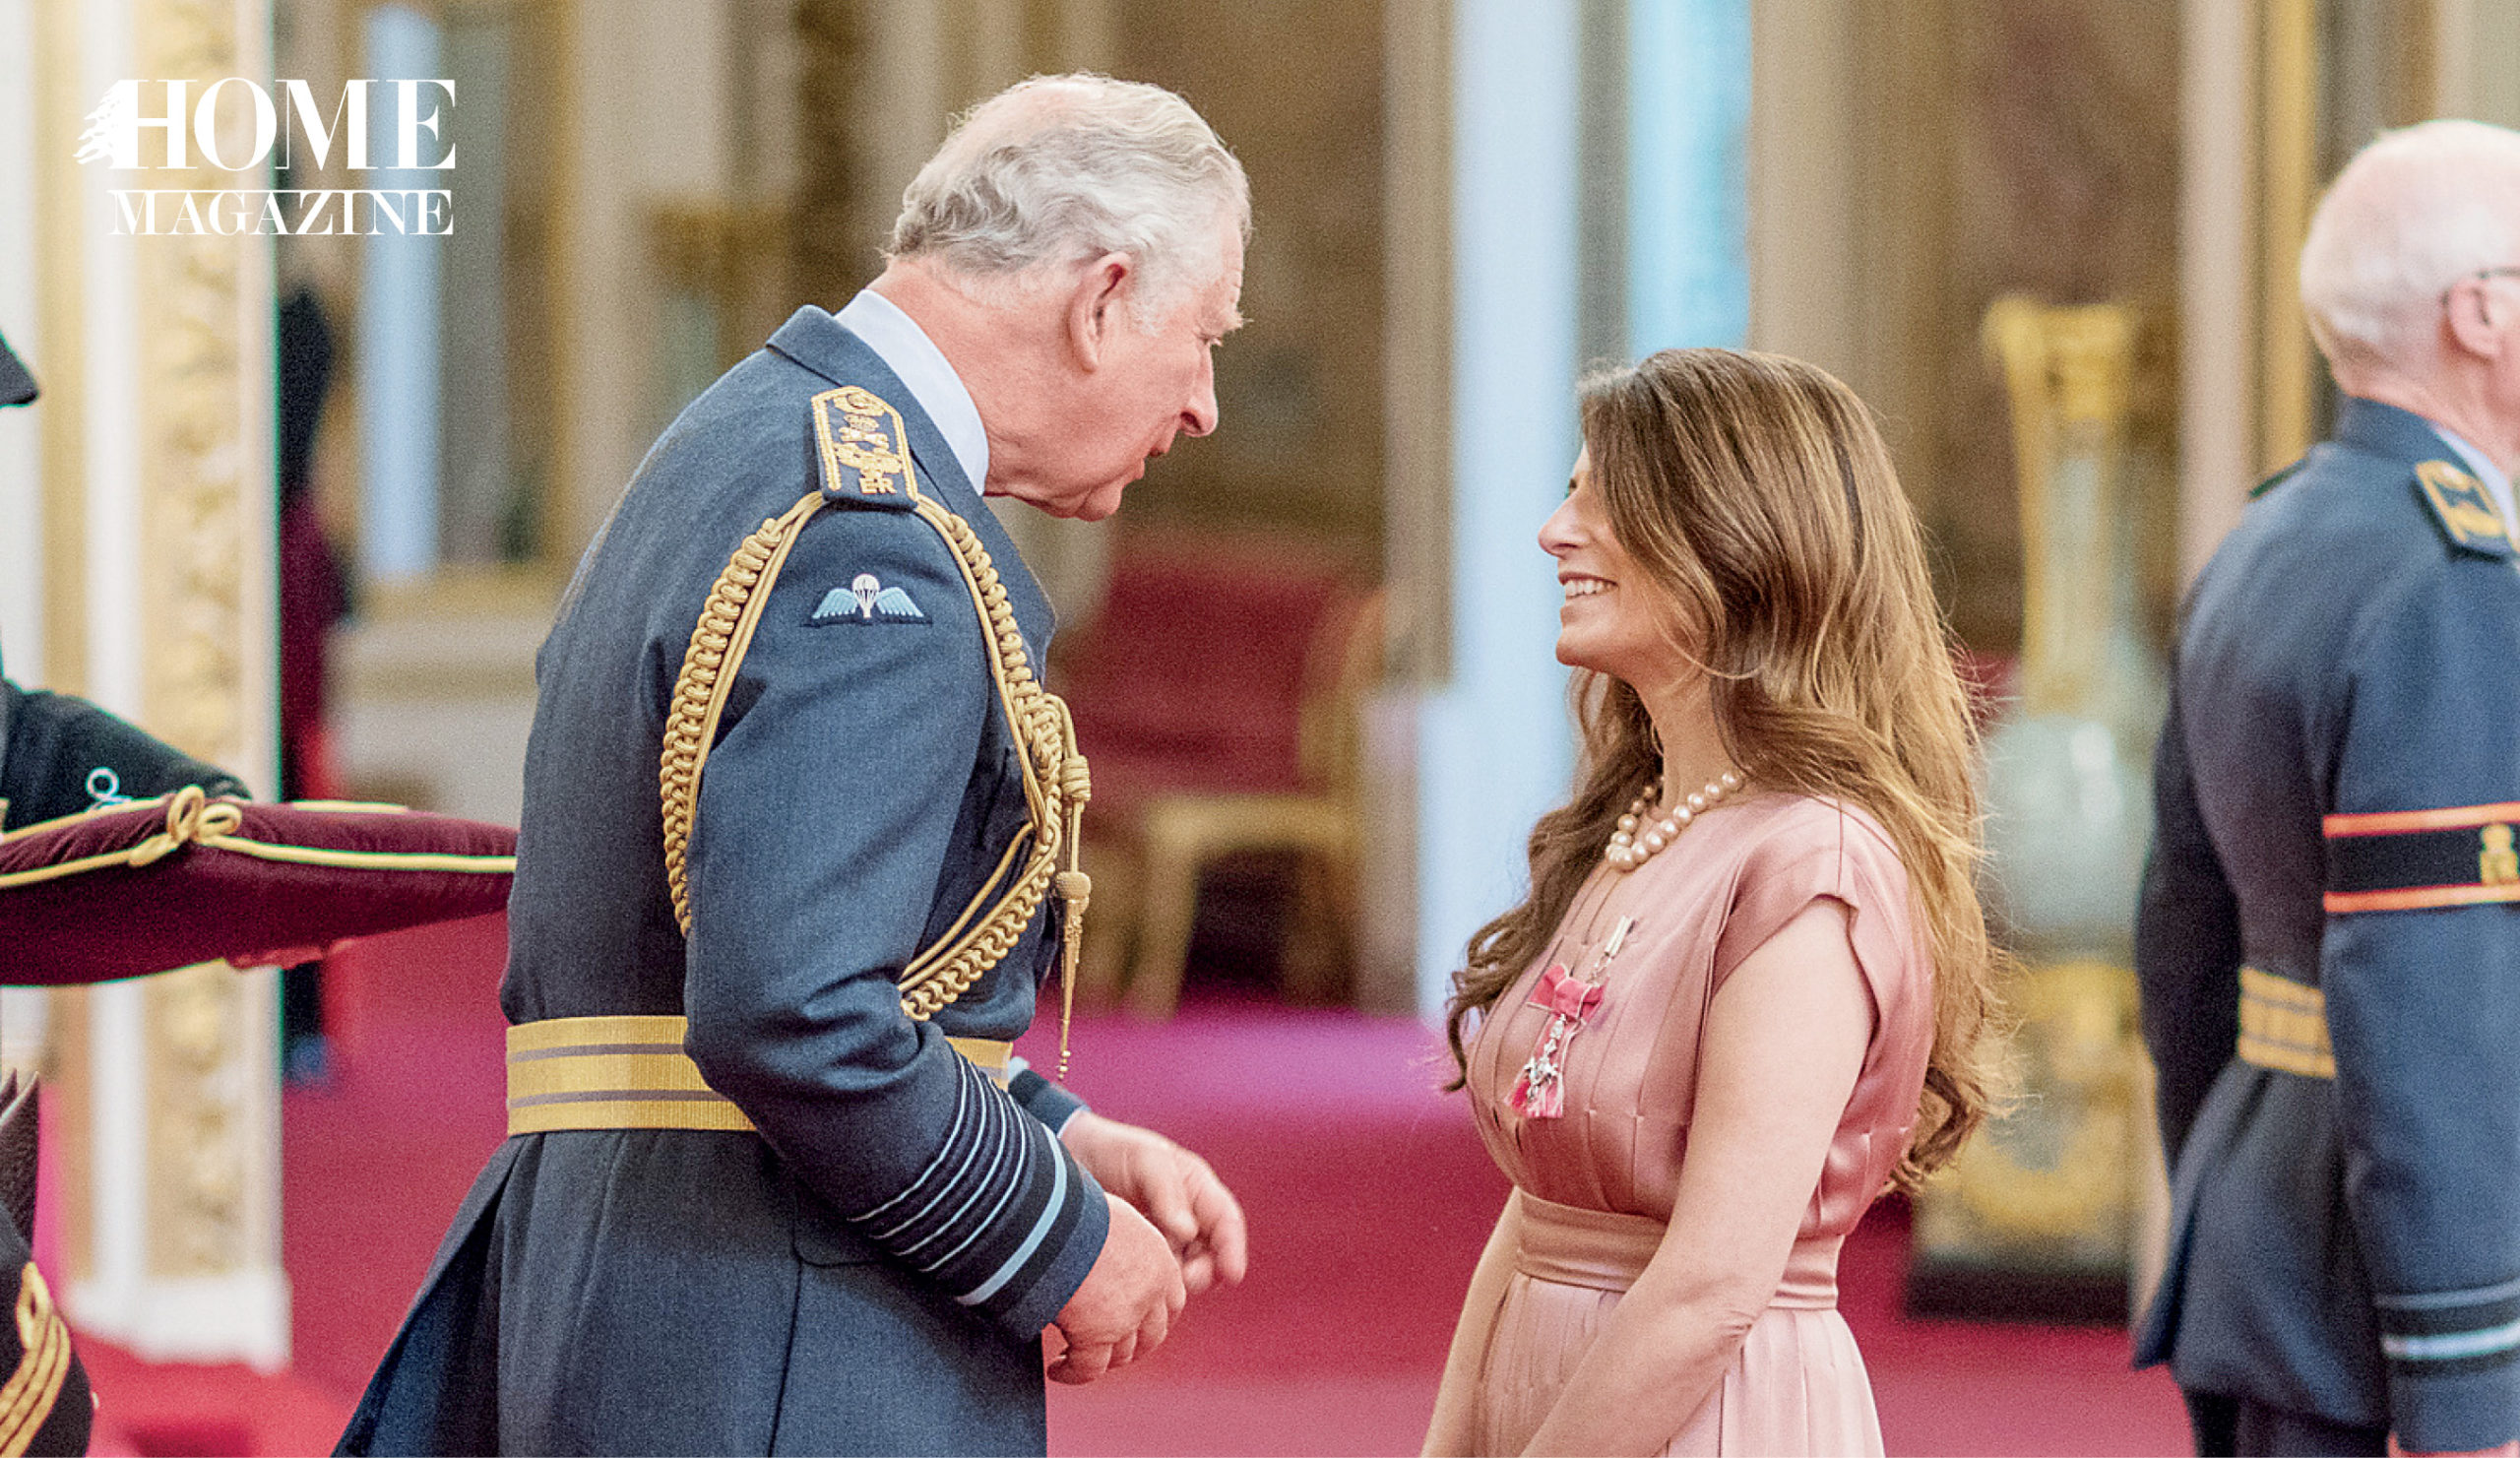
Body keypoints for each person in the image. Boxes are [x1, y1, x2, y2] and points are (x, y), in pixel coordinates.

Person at [340, 76, 1249, 1456]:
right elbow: (794, 1009)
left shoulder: (749, 435)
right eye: (1204, 338)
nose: (1204, 405)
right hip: (769, 1330)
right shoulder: (874, 537)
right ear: (1103, 298)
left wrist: (1036, 1121)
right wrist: (1051, 1235)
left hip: (645, 1280)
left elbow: (732, 951)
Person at [1423, 349, 2003, 1457]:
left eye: (1601, 499)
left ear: (1735, 537)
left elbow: (1713, 1285)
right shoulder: (1636, 819)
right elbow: (1539, 1205)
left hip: (1714, 1415)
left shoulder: (1814, 862)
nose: (1554, 531)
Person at [2135, 119, 2520, 1458]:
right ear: (2477, 313)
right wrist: (2468, 1384)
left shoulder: (2268, 537)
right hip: (2394, 1308)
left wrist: (2225, 1184)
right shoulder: (2446, 585)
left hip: (2270, 1246)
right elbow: (2431, 998)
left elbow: (2182, 943)